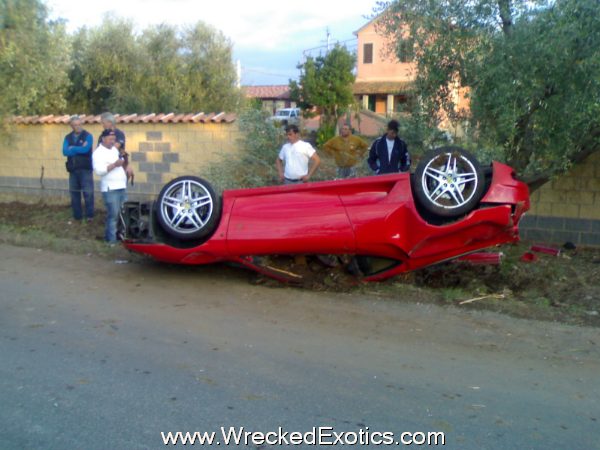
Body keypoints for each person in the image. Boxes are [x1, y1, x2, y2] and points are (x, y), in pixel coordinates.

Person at [92, 130, 128, 243]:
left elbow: (120, 161)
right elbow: (99, 171)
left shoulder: (114, 150)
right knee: (113, 215)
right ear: (103, 139)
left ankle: (121, 237)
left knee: (123, 213)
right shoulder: (98, 153)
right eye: (110, 139)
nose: (113, 141)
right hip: (110, 188)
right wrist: (114, 165)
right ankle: (110, 240)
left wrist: (124, 163)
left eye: (114, 139)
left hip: (121, 186)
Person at [62, 115, 95, 222]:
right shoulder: (67, 137)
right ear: (71, 126)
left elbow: (86, 149)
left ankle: (90, 216)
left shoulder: (88, 136)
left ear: (82, 124)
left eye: (79, 124)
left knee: (88, 193)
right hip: (73, 170)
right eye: (75, 125)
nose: (78, 127)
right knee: (74, 193)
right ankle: (77, 216)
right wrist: (78, 149)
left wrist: (73, 148)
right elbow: (65, 151)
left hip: (85, 170)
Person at [98, 112, 133, 184]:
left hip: (119, 165)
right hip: (107, 165)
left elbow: (114, 148)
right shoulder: (102, 135)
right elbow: (98, 150)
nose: (102, 125)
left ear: (110, 122)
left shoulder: (119, 133)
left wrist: (127, 165)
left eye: (103, 123)